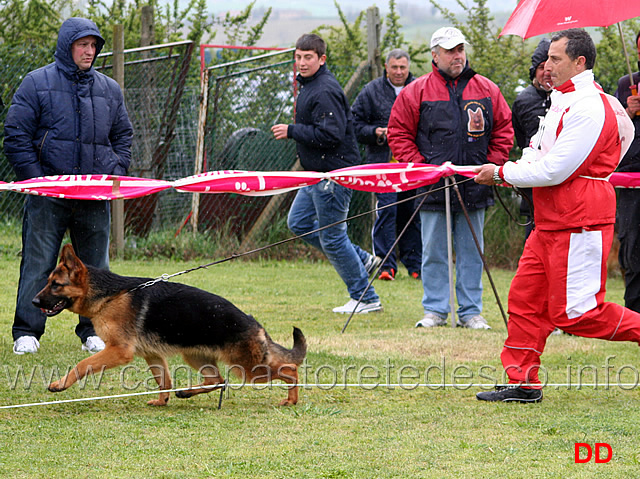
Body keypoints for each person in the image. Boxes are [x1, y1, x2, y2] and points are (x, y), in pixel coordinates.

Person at [473, 28, 638, 403]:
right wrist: (514, 167)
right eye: (547, 58)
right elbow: (538, 150)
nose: (547, 66)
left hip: (579, 219)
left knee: (578, 314)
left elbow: (555, 170)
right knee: (526, 299)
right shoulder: (563, 99)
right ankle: (524, 382)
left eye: (556, 59)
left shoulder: (589, 105)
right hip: (550, 219)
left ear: (580, 62)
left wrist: (501, 174)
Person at [4, 17, 133, 354]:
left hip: (94, 195)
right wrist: (38, 181)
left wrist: (113, 170)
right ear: (67, 47)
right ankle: (27, 333)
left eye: (94, 46)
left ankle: (93, 331)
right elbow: (16, 135)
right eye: (82, 45)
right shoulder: (35, 83)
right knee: (38, 262)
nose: (89, 52)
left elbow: (123, 137)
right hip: (47, 196)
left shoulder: (110, 89)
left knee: (96, 268)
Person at [387, 26, 513, 330]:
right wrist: (422, 168)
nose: (457, 56)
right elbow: (398, 133)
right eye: (449, 51)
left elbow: (504, 132)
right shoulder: (415, 91)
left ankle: (471, 312)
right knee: (433, 251)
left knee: (472, 252)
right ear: (435, 55)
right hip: (431, 186)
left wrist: (491, 167)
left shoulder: (487, 89)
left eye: (460, 49)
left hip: (476, 183)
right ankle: (435, 310)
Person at [271, 33, 382, 314]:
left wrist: (291, 131)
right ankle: (362, 259)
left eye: (308, 57)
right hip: (315, 174)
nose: (301, 62)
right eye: (298, 57)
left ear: (321, 59)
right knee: (298, 223)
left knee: (332, 238)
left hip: (334, 175)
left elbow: (331, 135)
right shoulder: (310, 86)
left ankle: (366, 298)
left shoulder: (323, 90)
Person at [352, 49, 422, 282]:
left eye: (403, 67)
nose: (399, 72)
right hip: (383, 164)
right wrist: (376, 132)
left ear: (408, 67)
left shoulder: (420, 88)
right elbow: (354, 124)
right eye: (394, 67)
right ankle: (385, 264)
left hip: (412, 162)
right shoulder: (371, 92)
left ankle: (415, 264)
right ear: (386, 67)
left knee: (412, 211)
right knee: (387, 210)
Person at [511, 38, 553, 239]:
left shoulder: (570, 97)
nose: (546, 71)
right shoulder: (523, 100)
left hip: (561, 175)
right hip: (533, 180)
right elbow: (521, 139)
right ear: (534, 71)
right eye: (541, 67)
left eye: (551, 66)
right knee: (533, 237)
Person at [614, 30, 640, 312]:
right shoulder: (627, 84)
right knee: (631, 247)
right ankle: (634, 313)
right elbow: (613, 129)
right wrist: (627, 111)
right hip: (630, 177)